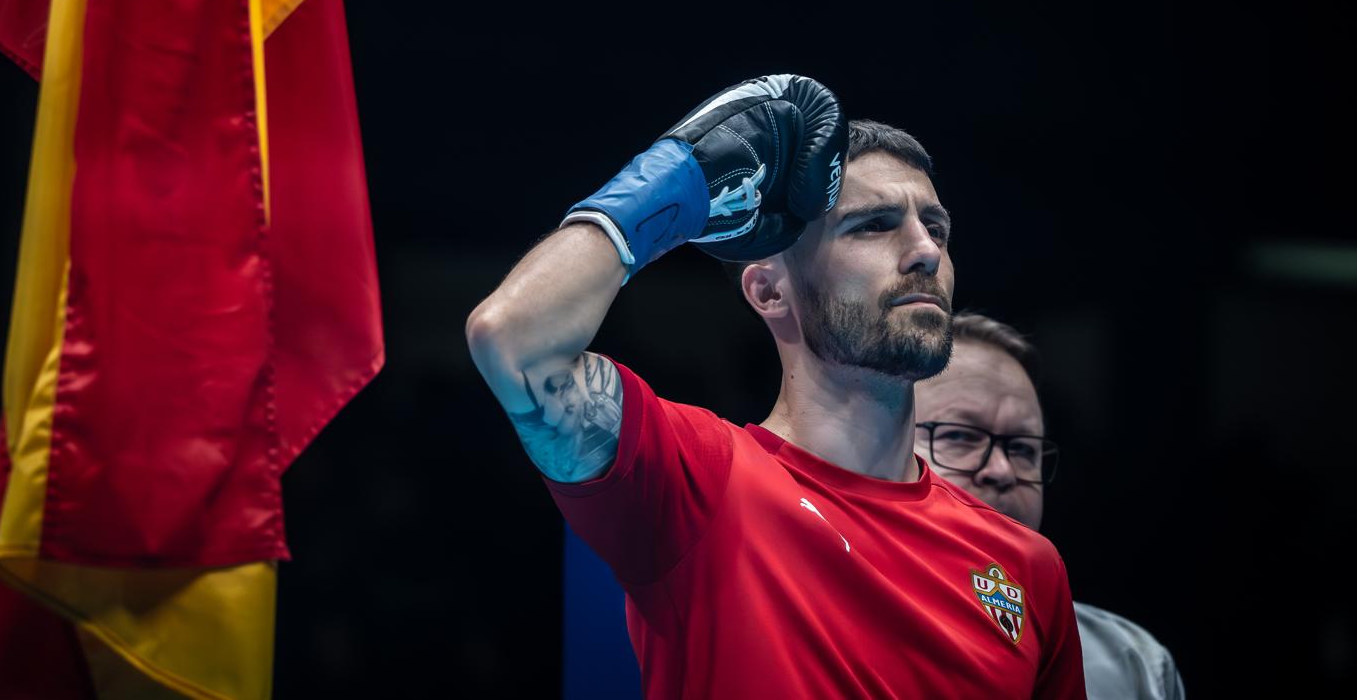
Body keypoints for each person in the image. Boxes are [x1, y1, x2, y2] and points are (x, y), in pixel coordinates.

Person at [466, 75, 1086, 698]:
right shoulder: (698, 479)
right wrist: (676, 176)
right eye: (873, 225)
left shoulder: (1026, 567)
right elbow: (513, 339)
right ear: (768, 291)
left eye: (937, 229)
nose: (925, 251)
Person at [914, 312, 1185, 699]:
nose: (1002, 470)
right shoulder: (831, 636)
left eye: (1022, 449)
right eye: (959, 436)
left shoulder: (1134, 666)